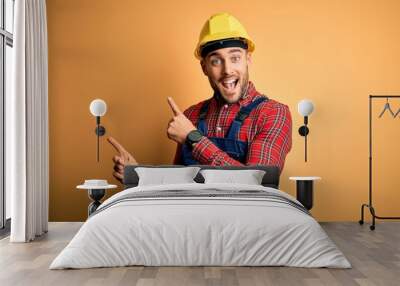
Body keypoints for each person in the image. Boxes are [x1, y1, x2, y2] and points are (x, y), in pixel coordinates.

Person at [108, 12, 292, 182]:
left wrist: (192, 137)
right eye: (215, 61)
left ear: (248, 60)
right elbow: (179, 185)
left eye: (235, 58)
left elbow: (258, 185)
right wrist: (139, 175)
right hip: (192, 218)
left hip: (244, 218)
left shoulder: (273, 114)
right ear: (204, 67)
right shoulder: (191, 116)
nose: (227, 70)